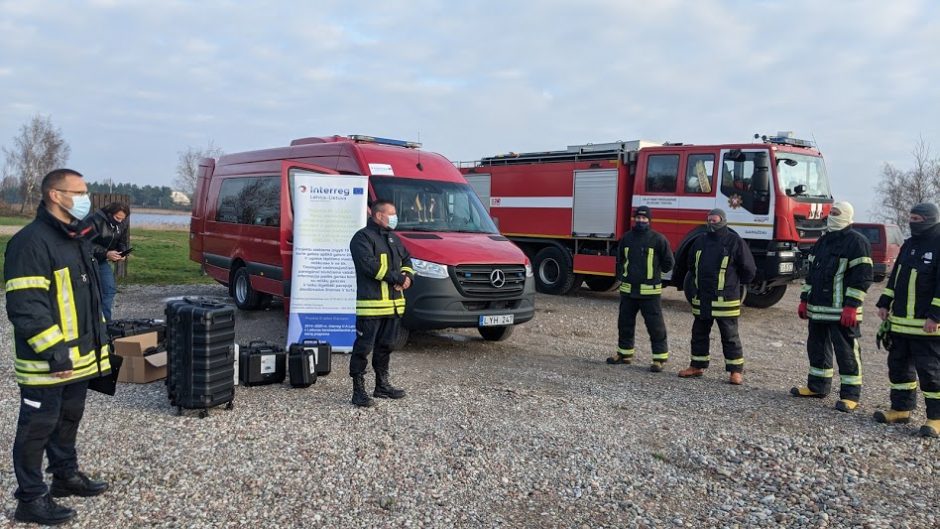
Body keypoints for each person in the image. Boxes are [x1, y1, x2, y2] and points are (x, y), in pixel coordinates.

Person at [4, 169, 112, 525]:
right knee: (37, 427)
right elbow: (27, 306)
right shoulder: (30, 243)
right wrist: (54, 352)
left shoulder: (75, 238)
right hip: (47, 362)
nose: (86, 199)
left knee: (68, 419)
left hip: (79, 360)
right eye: (79, 192)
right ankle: (31, 499)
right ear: (54, 195)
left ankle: (65, 476)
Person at [791, 201, 872, 412]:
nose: (832, 215)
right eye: (831, 212)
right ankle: (817, 387)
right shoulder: (823, 240)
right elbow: (812, 274)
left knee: (846, 352)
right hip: (818, 308)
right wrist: (804, 299)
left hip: (842, 311)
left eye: (836, 213)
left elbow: (862, 278)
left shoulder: (857, 242)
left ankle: (851, 395)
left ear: (846, 216)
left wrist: (852, 306)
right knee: (816, 348)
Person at [873, 203, 940, 437]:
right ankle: (901, 409)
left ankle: (936, 418)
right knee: (899, 367)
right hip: (901, 323)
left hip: (927, 326)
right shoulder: (909, 245)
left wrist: (935, 316)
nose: (912, 222)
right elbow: (896, 278)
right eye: (911, 217)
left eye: (917, 218)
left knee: (931, 373)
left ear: (930, 219)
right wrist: (884, 302)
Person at [348, 199, 415, 407]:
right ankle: (358, 391)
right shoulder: (362, 238)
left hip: (394, 306)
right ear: (378, 215)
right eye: (391, 214)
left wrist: (408, 278)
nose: (395, 218)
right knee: (363, 348)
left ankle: (381, 386)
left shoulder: (393, 238)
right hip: (371, 306)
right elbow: (370, 266)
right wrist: (397, 278)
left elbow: (407, 261)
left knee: (386, 346)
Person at [679, 208, 756, 384]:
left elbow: (749, 269)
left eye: (715, 220)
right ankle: (696, 366)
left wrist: (733, 286)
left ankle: (735, 372)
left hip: (725, 300)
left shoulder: (734, 241)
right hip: (703, 298)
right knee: (699, 334)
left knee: (730, 336)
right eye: (709, 220)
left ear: (723, 220)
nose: (711, 223)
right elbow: (691, 265)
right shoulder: (700, 241)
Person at [607, 206, 675, 372]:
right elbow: (620, 259)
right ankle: (624, 355)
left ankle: (659, 359)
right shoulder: (627, 238)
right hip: (629, 291)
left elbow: (669, 263)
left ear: (649, 220)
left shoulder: (658, 239)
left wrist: (653, 275)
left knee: (655, 327)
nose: (641, 221)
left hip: (650, 293)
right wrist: (623, 277)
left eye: (644, 219)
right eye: (638, 218)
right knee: (625, 324)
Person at [88, 201, 130, 321]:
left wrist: (122, 252)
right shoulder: (93, 220)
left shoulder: (122, 223)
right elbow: (84, 243)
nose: (120, 221)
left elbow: (122, 241)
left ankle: (105, 324)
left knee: (109, 290)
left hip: (101, 261)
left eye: (123, 219)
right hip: (85, 261)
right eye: (117, 218)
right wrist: (106, 253)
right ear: (110, 214)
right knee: (89, 293)